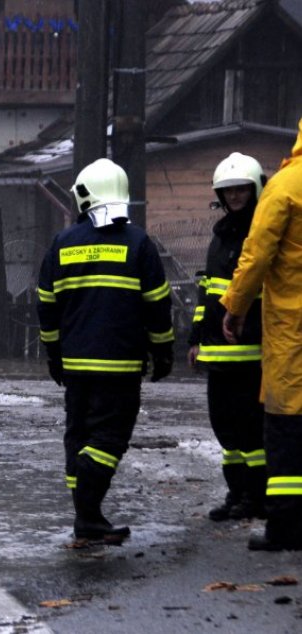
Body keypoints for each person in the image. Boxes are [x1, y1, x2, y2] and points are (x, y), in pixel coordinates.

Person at [36, 158, 173, 543]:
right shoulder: (139, 243)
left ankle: (86, 518)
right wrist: (163, 353)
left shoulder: (62, 244)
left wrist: (53, 354)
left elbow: (46, 305)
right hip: (120, 363)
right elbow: (157, 306)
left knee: (78, 432)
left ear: (83, 196)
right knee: (109, 437)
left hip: (75, 365)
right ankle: (89, 513)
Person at [221, 118, 302, 552]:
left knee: (287, 430)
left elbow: (255, 256)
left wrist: (234, 306)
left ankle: (287, 527)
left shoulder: (286, 185)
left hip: (294, 331)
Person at [187, 153, 267, 522]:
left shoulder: (263, 231)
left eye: (241, 190)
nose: (234, 197)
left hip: (254, 352)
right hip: (218, 354)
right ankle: (236, 494)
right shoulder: (220, 236)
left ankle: (257, 497)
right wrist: (195, 338)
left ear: (255, 189)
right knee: (225, 430)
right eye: (228, 191)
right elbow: (208, 292)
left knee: (252, 431)